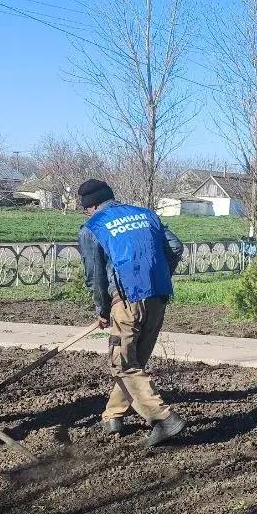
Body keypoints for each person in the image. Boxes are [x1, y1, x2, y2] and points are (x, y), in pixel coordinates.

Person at [77, 178, 186, 447]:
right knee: (134, 361)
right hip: (158, 295)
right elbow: (175, 247)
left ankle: (164, 419)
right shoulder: (146, 214)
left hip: (127, 299)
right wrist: (158, 275)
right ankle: (113, 416)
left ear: (90, 207)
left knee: (123, 363)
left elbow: (95, 277)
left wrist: (102, 309)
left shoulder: (92, 227)